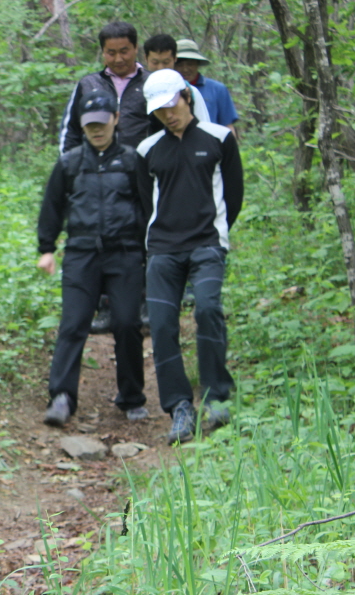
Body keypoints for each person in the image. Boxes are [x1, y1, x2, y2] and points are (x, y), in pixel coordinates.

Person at [136, 69, 244, 443]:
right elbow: (145, 202)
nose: (167, 115)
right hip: (162, 249)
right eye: (159, 110)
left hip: (207, 244)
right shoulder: (147, 150)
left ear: (186, 96)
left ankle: (216, 397)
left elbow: (234, 195)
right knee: (162, 324)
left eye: (172, 105)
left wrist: (216, 231)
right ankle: (179, 407)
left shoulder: (219, 139)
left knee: (208, 309)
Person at [37, 90, 148, 427]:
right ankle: (61, 396)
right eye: (89, 125)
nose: (96, 130)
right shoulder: (69, 163)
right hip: (81, 254)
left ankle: (131, 397)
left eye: (102, 122)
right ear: (81, 126)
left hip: (125, 253)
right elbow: (52, 207)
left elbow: (148, 209)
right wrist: (46, 249)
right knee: (73, 324)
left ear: (115, 119)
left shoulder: (132, 161)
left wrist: (150, 251)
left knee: (127, 323)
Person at [59, 21, 153, 153]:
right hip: (96, 163)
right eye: (111, 53)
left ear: (136, 48)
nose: (118, 59)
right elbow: (71, 131)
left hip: (141, 162)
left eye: (124, 52)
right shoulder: (88, 84)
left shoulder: (151, 83)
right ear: (103, 52)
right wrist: (69, 163)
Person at [174, 38, 239, 134]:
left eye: (190, 64)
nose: (185, 69)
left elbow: (228, 126)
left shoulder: (217, 89)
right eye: (180, 65)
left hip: (212, 141)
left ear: (198, 64)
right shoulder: (170, 91)